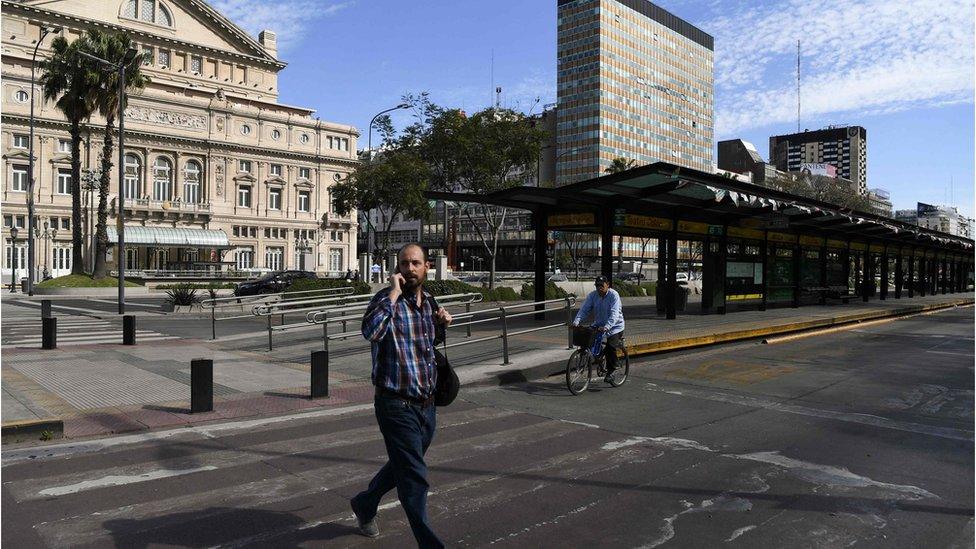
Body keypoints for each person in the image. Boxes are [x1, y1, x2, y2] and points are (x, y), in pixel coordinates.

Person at [351, 243, 451, 547]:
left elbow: (427, 345)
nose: (410, 269)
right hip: (395, 403)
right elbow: (371, 332)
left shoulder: (430, 301)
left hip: (427, 404)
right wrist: (392, 293)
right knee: (414, 475)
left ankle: (365, 504)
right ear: (397, 268)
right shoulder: (384, 300)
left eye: (416, 263)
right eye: (404, 264)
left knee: (404, 464)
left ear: (426, 267)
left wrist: (441, 324)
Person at [572, 275, 625, 383]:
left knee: (610, 346)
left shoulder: (614, 295)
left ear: (608, 285)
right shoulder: (593, 295)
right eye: (597, 286)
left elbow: (615, 314)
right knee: (587, 339)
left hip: (615, 326)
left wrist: (607, 326)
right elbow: (584, 310)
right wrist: (576, 322)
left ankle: (612, 370)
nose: (599, 288)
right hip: (599, 325)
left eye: (601, 285)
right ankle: (600, 358)